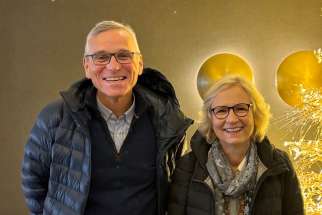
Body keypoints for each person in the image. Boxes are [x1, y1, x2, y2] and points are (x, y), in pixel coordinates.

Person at [21, 20, 193, 215]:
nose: (113, 66)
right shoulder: (55, 118)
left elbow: (179, 189)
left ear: (140, 63)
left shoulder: (167, 120)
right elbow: (33, 184)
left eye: (123, 55)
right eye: (101, 57)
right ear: (86, 66)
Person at [168, 76, 304, 215]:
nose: (232, 119)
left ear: (255, 114)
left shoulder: (279, 164)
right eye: (221, 110)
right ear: (210, 118)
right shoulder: (187, 166)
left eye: (240, 108)